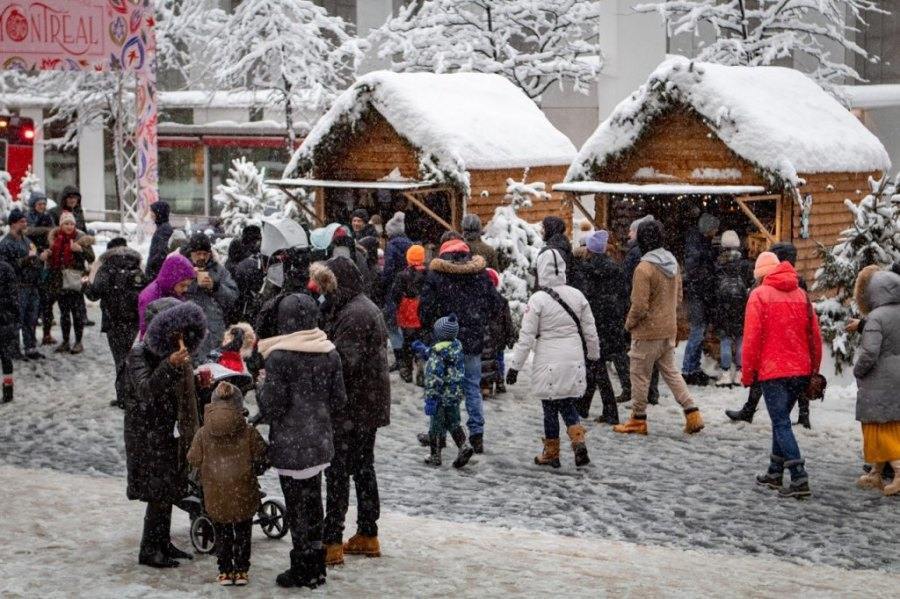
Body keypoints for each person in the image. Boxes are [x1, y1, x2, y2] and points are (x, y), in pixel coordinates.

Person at [257, 293, 348, 585]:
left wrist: (261, 386)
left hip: (290, 443)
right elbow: (339, 400)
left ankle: (302, 567)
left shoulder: (279, 357)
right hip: (319, 440)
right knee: (313, 500)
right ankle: (317, 565)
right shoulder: (329, 352)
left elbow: (272, 407)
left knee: (296, 505)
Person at [309, 257, 390, 567]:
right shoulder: (359, 306)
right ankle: (367, 534)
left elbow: (343, 363)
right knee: (362, 468)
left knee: (340, 472)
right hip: (366, 405)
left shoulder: (354, 314)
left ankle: (332, 540)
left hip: (353, 407)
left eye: (327, 284)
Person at [123, 299, 205, 568]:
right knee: (157, 490)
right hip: (147, 433)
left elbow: (179, 393)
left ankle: (162, 542)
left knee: (168, 488)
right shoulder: (138, 354)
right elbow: (146, 390)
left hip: (167, 431)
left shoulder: (173, 353)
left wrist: (200, 384)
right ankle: (149, 549)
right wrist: (169, 365)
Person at [506, 248, 598, 467]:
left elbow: (526, 337)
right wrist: (593, 356)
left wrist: (515, 367)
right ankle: (579, 443)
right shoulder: (578, 296)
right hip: (573, 358)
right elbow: (590, 330)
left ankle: (551, 453)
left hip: (548, 360)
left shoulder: (538, 300)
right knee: (567, 403)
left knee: (549, 408)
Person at [741, 254, 822, 499]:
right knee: (782, 419)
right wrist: (813, 369)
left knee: (780, 423)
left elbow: (752, 338)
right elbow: (814, 337)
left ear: (761, 276)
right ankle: (775, 472)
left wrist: (748, 373)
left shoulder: (759, 296)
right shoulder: (801, 295)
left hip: (773, 370)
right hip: (800, 370)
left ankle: (798, 476)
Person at [614, 220, 705, 436]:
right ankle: (693, 413)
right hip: (668, 328)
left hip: (647, 332)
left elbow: (639, 306)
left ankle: (638, 419)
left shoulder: (643, 268)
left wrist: (627, 326)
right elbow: (679, 297)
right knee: (672, 373)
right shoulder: (672, 262)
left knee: (639, 375)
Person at [419, 238, 503, 454]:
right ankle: (476, 435)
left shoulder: (436, 276)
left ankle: (440, 435)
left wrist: (434, 327)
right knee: (472, 387)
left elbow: (425, 310)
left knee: (444, 388)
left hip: (443, 341)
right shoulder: (480, 275)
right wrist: (479, 320)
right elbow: (496, 304)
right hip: (472, 340)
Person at [188, 381, 268, 586]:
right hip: (244, 489)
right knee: (243, 530)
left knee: (222, 531)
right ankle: (241, 571)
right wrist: (256, 467)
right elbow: (263, 456)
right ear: (239, 405)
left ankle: (224, 571)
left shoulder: (203, 432)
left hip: (216, 492)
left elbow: (193, 459)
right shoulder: (248, 431)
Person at [851, 267, 900, 496]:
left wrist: (858, 370)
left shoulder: (876, 317)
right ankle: (876, 473)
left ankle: (898, 472)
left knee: (877, 427)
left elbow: (870, 353)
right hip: (897, 379)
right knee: (891, 424)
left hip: (879, 380)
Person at [570, 230, 626, 424]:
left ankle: (610, 412)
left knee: (597, 366)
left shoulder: (586, 270)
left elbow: (583, 298)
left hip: (594, 323)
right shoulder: (616, 268)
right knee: (595, 364)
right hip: (611, 323)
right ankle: (584, 406)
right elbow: (623, 297)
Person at [84, 237, 145, 407]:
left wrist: (85, 285)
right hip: (133, 320)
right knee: (133, 356)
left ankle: (123, 396)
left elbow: (94, 294)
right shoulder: (137, 265)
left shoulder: (106, 267)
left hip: (114, 320)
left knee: (120, 358)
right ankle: (135, 393)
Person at [415, 314, 475, 468]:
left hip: (440, 396)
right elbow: (442, 352)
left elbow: (434, 377)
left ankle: (435, 456)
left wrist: (431, 398)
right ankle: (464, 446)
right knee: (454, 423)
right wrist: (426, 350)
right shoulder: (456, 347)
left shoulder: (438, 353)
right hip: (454, 394)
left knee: (436, 425)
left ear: (439, 334)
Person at [182, 232, 239, 361]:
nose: (202, 257)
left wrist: (215, 287)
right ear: (191, 253)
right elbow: (173, 291)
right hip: (188, 327)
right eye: (198, 254)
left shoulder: (219, 270)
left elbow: (233, 297)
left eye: (205, 254)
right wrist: (191, 281)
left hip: (213, 329)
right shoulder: (182, 267)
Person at [621, 215, 659, 405]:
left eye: (632, 230)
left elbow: (627, 282)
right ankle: (652, 391)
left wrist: (630, 315)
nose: (628, 233)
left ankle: (640, 397)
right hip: (653, 311)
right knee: (654, 356)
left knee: (638, 355)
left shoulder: (636, 255)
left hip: (637, 307)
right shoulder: (656, 255)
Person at [46, 213, 95, 354]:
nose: (69, 226)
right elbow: (53, 259)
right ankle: (66, 341)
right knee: (64, 314)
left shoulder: (81, 238)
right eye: (66, 223)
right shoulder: (55, 239)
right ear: (61, 225)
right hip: (59, 280)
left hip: (75, 281)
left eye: (71, 224)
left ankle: (78, 342)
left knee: (77, 313)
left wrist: (80, 250)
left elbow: (92, 257)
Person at [0, 208, 44, 359]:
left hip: (32, 285)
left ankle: (30, 347)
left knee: (31, 319)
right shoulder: (6, 244)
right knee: (16, 319)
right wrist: (24, 261)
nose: (25, 224)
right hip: (17, 287)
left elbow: (35, 259)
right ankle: (13, 349)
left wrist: (39, 259)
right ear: (13, 224)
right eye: (21, 221)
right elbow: (5, 268)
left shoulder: (28, 241)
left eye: (25, 221)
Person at [682, 213, 719, 385]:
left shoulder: (701, 243)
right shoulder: (696, 247)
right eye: (714, 229)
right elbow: (694, 271)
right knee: (697, 332)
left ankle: (694, 367)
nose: (715, 232)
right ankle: (688, 369)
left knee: (699, 331)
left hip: (700, 294)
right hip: (697, 295)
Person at [713, 230, 753, 387]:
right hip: (741, 307)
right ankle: (740, 373)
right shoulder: (745, 264)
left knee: (725, 340)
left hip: (723, 307)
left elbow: (714, 286)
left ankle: (725, 373)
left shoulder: (718, 263)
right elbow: (750, 284)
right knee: (740, 340)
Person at [387, 244, 427, 384]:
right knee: (421, 340)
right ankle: (421, 362)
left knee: (407, 342)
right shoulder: (428, 273)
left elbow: (395, 294)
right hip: (423, 311)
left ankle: (407, 370)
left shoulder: (402, 275)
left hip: (407, 312)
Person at [138, 253, 197, 337]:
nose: (185, 289)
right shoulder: (150, 297)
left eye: (187, 286)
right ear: (172, 280)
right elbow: (148, 333)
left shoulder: (174, 292)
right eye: (183, 285)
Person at [25, 191, 57, 345]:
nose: (42, 206)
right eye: (39, 204)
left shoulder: (48, 217)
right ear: (33, 205)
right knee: (34, 302)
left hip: (47, 259)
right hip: (33, 260)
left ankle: (47, 334)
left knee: (47, 300)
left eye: (44, 204)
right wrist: (45, 230)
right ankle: (30, 336)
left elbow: (54, 233)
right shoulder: (29, 217)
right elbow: (28, 231)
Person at [481, 267, 516, 396]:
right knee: (499, 359)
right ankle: (500, 382)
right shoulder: (502, 300)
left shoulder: (480, 300)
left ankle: (487, 384)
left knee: (486, 361)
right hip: (499, 335)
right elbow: (508, 321)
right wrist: (510, 336)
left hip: (486, 336)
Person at [0, 254, 19, 402]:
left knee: (5, 355)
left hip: (4, 317)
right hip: (6, 317)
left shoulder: (6, 269)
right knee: (6, 356)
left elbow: (13, 296)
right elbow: (13, 296)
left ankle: (8, 389)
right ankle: (8, 390)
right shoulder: (7, 268)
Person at [145, 200, 174, 283]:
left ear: (159, 213)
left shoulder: (164, 229)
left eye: (152, 211)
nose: (151, 214)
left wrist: (151, 266)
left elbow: (161, 252)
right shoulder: (162, 228)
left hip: (156, 274)